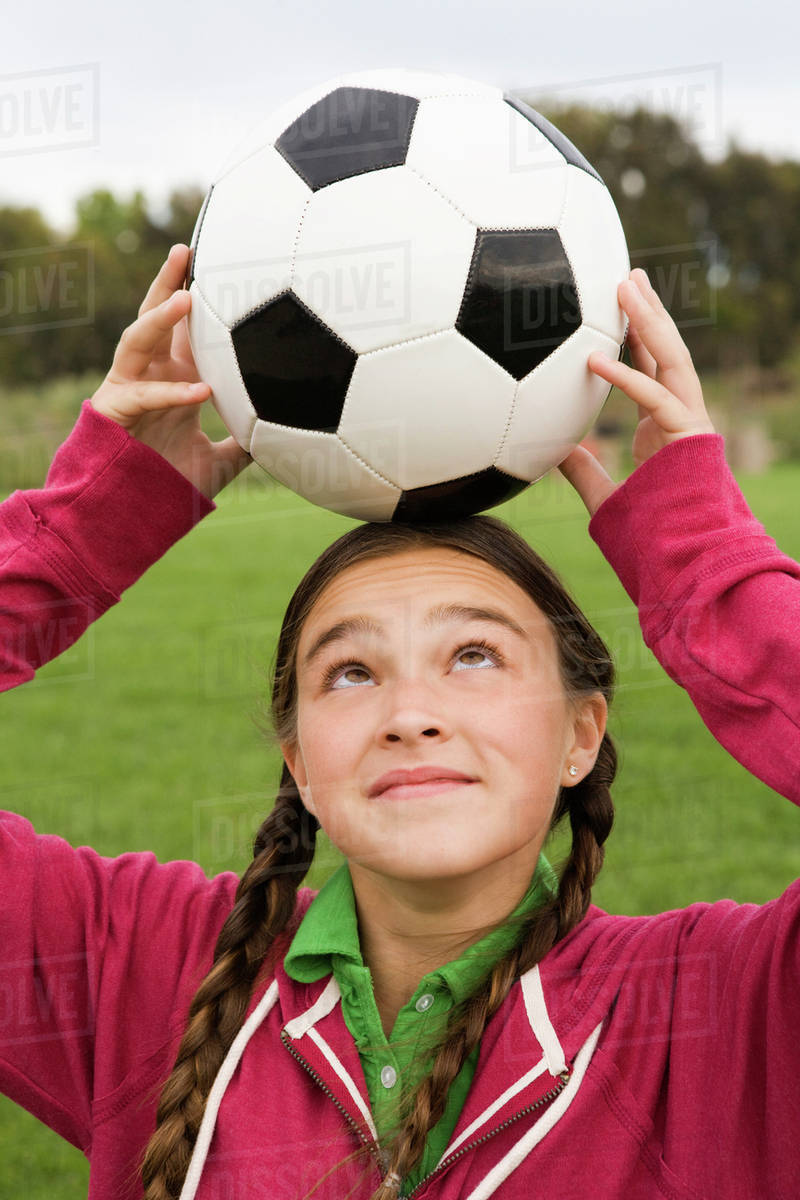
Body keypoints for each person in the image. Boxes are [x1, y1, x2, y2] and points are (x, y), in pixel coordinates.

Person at [1, 246, 798, 1200]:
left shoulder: (730, 1011)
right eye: (350, 672)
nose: (410, 715)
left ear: (581, 734)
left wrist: (698, 559)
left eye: (474, 656)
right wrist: (93, 521)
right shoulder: (137, 969)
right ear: (299, 761)